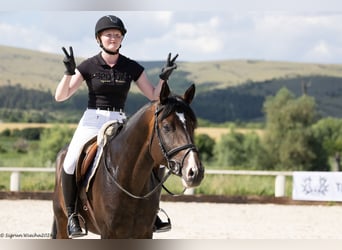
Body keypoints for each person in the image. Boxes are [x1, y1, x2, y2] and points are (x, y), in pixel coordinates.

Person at [55, 15, 178, 238]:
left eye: (117, 35)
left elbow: (153, 96)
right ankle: (73, 215)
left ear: (122, 39)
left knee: (152, 158)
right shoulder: (88, 65)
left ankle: (154, 211)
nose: (113, 38)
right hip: (92, 121)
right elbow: (61, 96)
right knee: (71, 159)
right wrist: (68, 73)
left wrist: (164, 78)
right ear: (98, 39)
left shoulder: (131, 66)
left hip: (120, 121)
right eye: (108, 34)